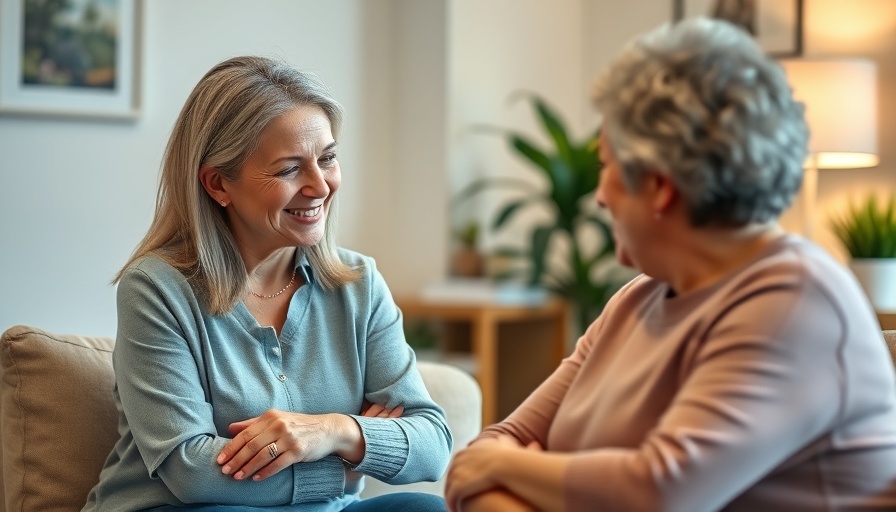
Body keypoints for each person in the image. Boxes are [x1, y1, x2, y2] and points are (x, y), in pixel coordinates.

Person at [445, 17, 896, 512]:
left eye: (607, 167)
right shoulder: (636, 300)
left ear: (659, 186)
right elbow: (481, 456)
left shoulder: (797, 299)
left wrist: (508, 468)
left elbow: (659, 492)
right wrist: (496, 467)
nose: (599, 196)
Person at [82, 56, 451, 512]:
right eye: (289, 169)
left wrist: (334, 431)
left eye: (328, 159)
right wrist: (348, 465)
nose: (320, 186)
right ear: (218, 184)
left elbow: (432, 443)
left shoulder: (359, 283)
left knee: (424, 508)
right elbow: (193, 472)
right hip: (190, 510)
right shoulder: (155, 289)